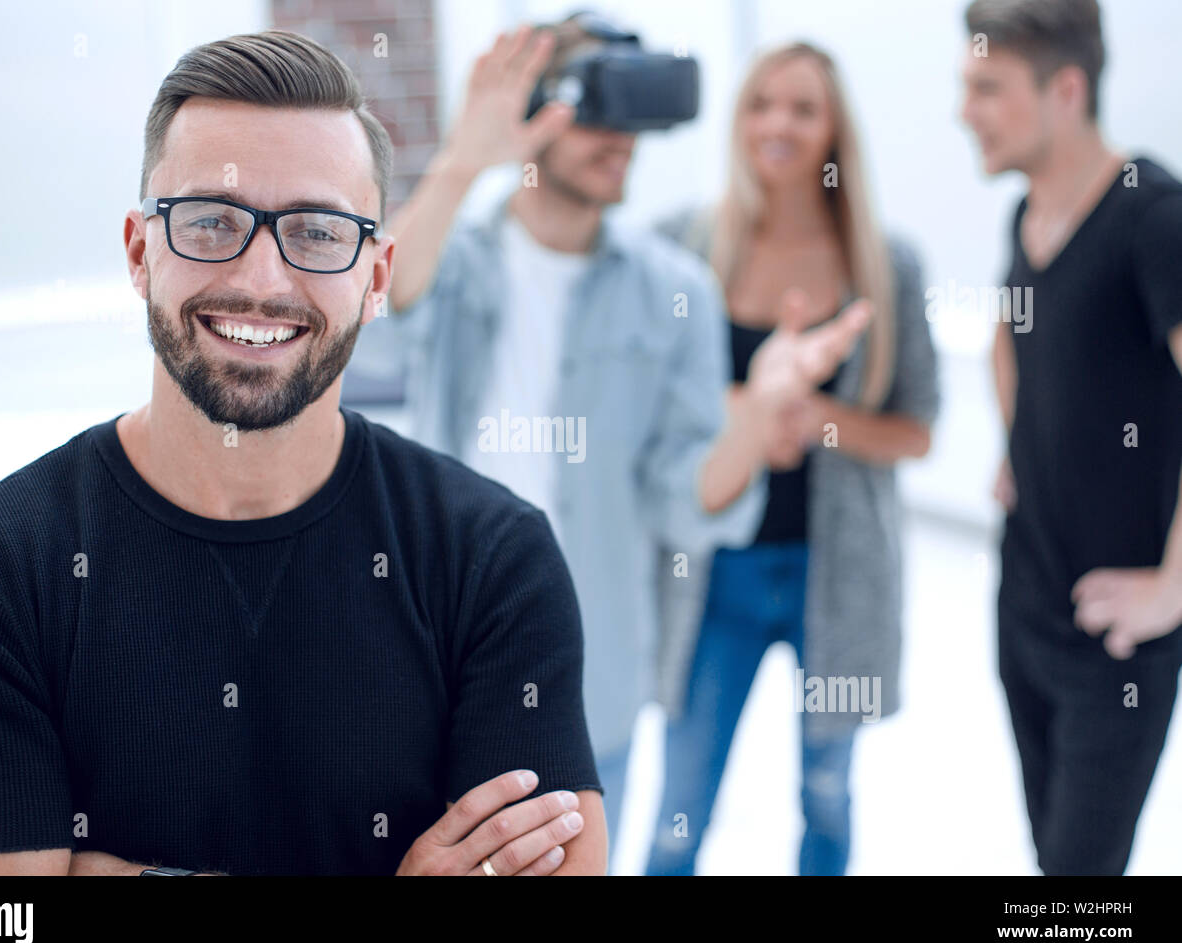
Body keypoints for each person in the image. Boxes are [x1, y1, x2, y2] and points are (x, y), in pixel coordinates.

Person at [0, 29, 609, 876]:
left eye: (316, 232)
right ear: (139, 251)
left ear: (376, 278)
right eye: (210, 223)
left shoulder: (491, 558)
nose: (263, 281)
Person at [354, 12, 872, 868]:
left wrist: (755, 413)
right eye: (596, 106)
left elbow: (688, 501)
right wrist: (461, 160)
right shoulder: (457, 256)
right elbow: (369, 324)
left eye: (635, 113)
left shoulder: (675, 292)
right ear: (536, 115)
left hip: (589, 680)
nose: (620, 136)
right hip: (433, 665)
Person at [646, 42, 940, 876]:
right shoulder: (684, 249)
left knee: (825, 794)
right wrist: (751, 411)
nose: (778, 123)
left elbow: (917, 430)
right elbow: (655, 418)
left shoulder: (888, 267)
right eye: (761, 104)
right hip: (711, 577)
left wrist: (820, 422)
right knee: (679, 804)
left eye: (803, 107)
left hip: (834, 576)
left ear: (835, 131)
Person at [961, 0, 1182, 874]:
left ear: (1065, 89)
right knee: (1049, 860)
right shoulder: (1026, 215)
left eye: (986, 87)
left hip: (1116, 636)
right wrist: (1014, 449)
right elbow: (1012, 336)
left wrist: (1173, 588)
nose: (963, 110)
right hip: (1026, 602)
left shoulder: (1153, 217)